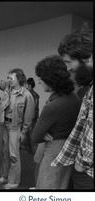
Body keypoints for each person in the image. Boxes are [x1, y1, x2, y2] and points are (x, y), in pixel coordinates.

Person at [51, 23, 93, 189]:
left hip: (87, 173)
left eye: (69, 62)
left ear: (88, 57)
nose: (68, 68)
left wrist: (82, 164)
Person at [32, 55, 81, 189]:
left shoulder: (52, 106)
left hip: (54, 150)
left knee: (48, 185)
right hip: (69, 148)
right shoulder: (74, 97)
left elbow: (35, 136)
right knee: (61, 184)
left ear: (50, 80)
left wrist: (45, 132)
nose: (38, 80)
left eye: (40, 77)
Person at [0, 68, 35, 189]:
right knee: (5, 152)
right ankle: (5, 176)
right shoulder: (8, 88)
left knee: (14, 155)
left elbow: (28, 119)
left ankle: (14, 180)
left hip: (15, 127)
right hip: (6, 125)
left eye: (11, 78)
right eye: (8, 78)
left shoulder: (26, 95)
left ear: (19, 79)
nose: (8, 80)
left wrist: (23, 133)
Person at [24, 77, 40, 154]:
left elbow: (30, 107)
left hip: (30, 116)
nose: (24, 86)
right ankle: (32, 149)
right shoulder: (36, 95)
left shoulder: (28, 94)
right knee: (31, 132)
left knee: (29, 133)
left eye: (26, 84)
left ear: (29, 85)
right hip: (34, 116)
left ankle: (32, 149)